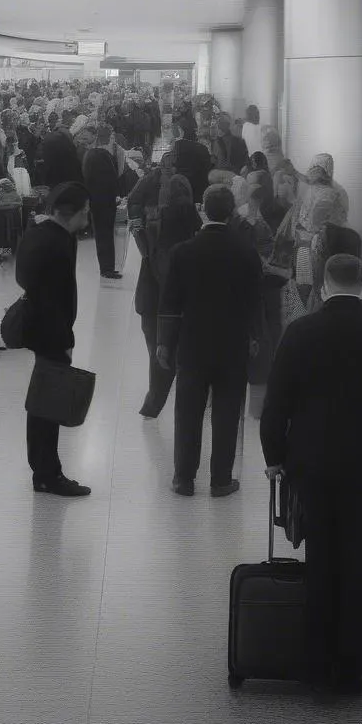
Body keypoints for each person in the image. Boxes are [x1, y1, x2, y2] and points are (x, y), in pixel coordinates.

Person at [261, 254, 362, 694]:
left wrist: (274, 457)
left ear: (324, 283)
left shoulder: (300, 331)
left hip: (310, 462)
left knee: (321, 556)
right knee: (361, 558)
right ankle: (352, 666)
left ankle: (316, 661)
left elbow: (277, 403)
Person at [157, 184, 263, 497]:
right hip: (233, 344)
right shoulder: (246, 252)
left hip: (192, 344)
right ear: (232, 213)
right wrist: (255, 336)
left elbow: (170, 303)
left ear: (204, 209)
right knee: (228, 412)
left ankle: (184, 478)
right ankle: (220, 480)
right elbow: (254, 300)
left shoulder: (184, 252)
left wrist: (164, 342)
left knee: (188, 411)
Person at [16, 181, 92, 496]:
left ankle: (44, 470)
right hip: (52, 331)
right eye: (85, 213)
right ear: (71, 214)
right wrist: (65, 338)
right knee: (49, 403)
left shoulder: (37, 234)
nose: (88, 218)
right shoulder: (60, 244)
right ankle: (48, 474)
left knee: (42, 399)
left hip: (38, 327)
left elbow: (25, 279)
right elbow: (56, 299)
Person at [135, 173, 201, 418]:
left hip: (152, 301)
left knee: (157, 354)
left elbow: (153, 261)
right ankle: (190, 405)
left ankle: (153, 405)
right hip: (182, 305)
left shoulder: (154, 222)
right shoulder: (195, 228)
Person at [83, 124, 122, 280]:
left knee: (103, 234)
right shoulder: (101, 155)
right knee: (105, 234)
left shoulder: (90, 154)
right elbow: (113, 177)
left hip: (97, 199)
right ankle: (107, 269)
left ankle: (107, 267)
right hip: (104, 201)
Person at [172, 121, 212, 204]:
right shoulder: (202, 148)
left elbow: (172, 168)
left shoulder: (176, 147)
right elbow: (208, 168)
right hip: (200, 189)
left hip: (182, 189)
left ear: (183, 132)